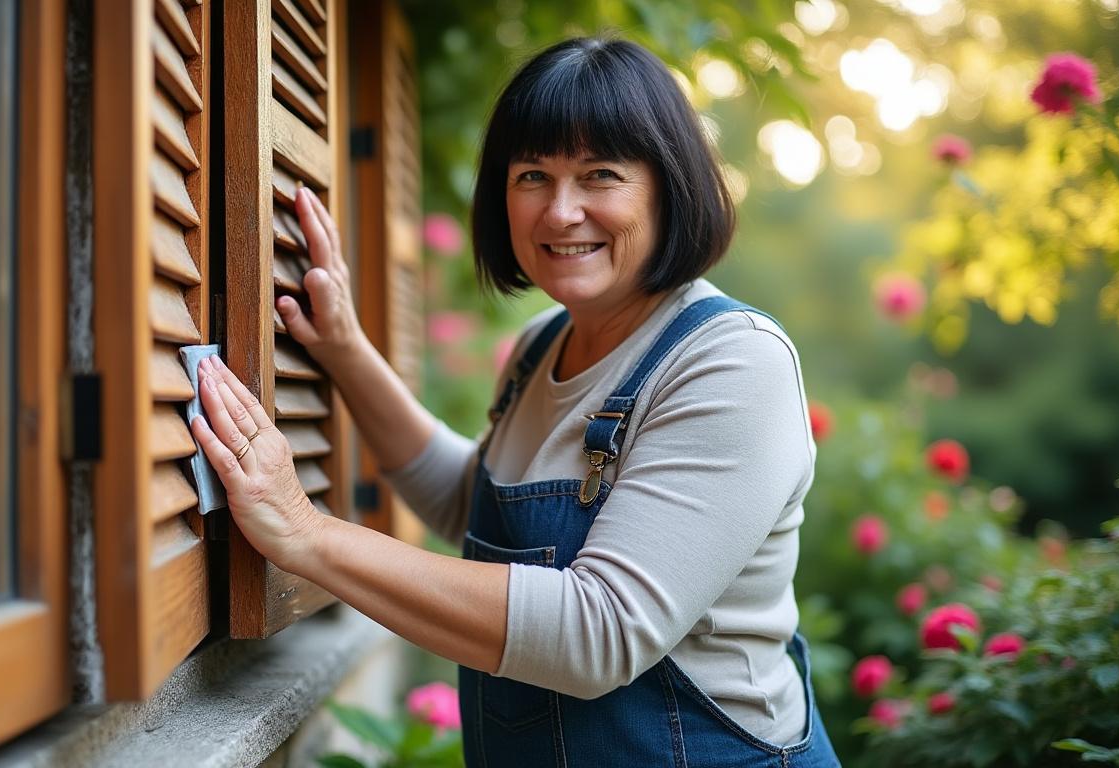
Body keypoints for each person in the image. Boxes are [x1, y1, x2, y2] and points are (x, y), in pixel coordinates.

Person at [188, 36, 840, 768]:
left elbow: (602, 633)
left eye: (600, 175)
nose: (561, 213)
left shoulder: (730, 361)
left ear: (669, 187)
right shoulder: (541, 345)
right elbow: (473, 504)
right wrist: (342, 348)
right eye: (534, 175)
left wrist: (306, 536)